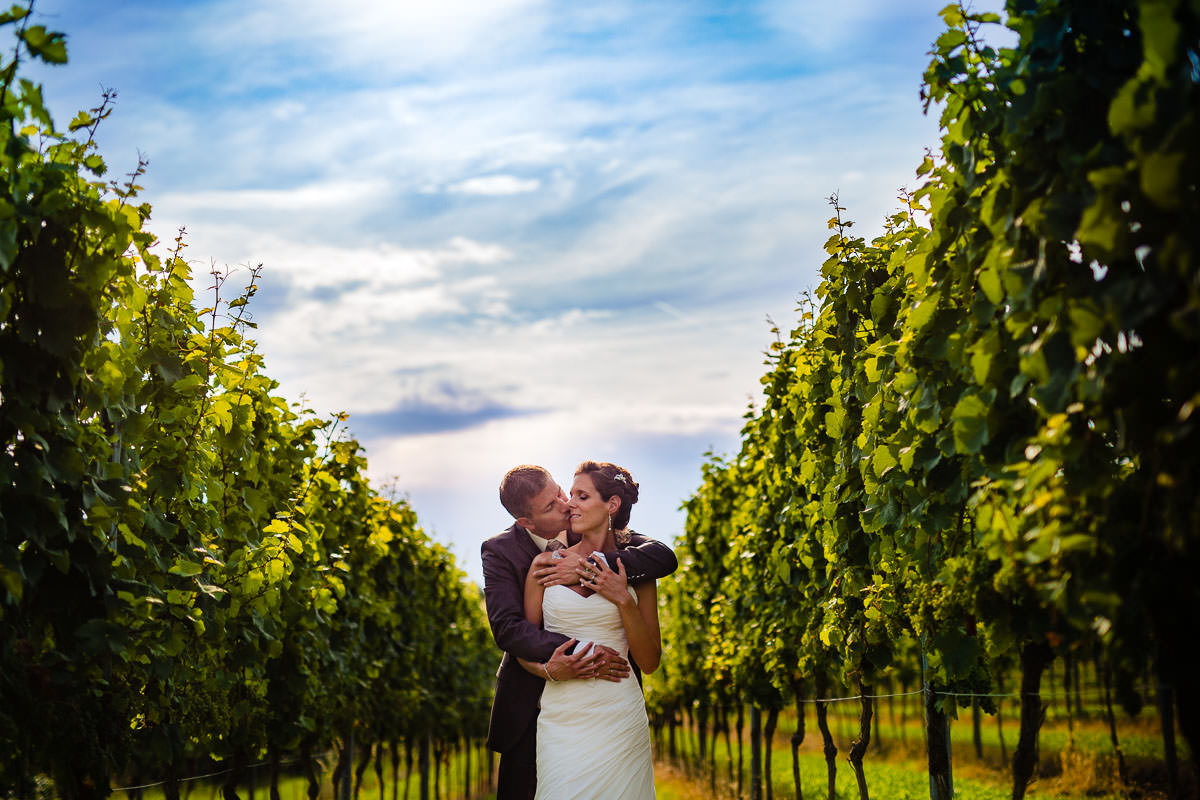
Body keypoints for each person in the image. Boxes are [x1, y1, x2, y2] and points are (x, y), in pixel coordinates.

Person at [482, 464, 676, 800]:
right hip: (545, 706)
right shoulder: (519, 557)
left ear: (612, 505)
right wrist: (567, 662)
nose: (567, 503)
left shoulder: (623, 552)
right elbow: (513, 635)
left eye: (567, 493)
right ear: (526, 522)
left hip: (617, 707)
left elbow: (662, 558)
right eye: (555, 502)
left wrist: (600, 575)